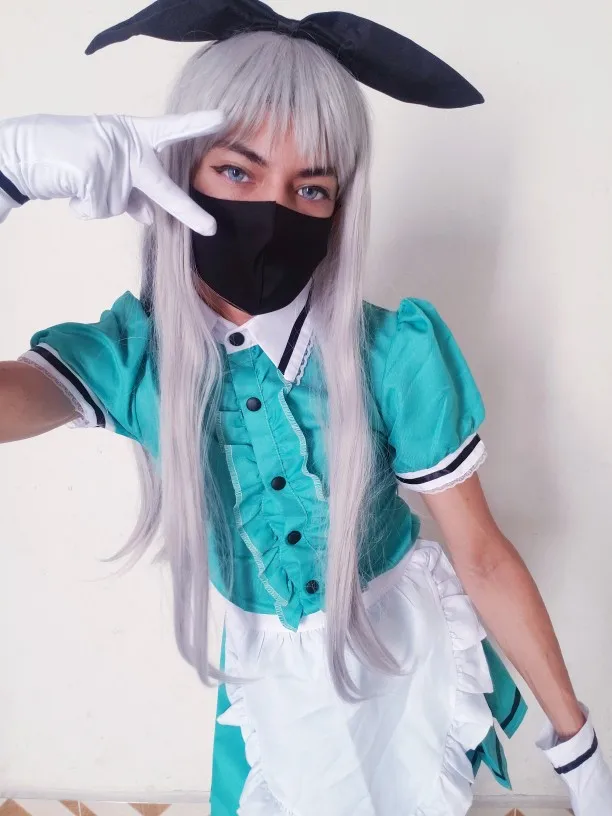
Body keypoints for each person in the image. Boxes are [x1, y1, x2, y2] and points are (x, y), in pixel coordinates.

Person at [1, 2, 611, 814]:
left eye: (311, 186)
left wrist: (578, 749)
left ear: (339, 207)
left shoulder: (390, 355)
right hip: (270, 688)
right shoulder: (137, 357)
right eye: (237, 171)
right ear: (177, 169)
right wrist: (8, 176)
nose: (272, 210)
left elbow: (482, 555)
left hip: (405, 668)